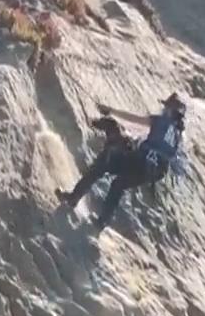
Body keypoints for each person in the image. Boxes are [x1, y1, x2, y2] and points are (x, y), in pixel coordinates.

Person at [56, 93, 188, 232]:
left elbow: (134, 119)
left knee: (105, 163)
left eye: (166, 107)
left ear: (171, 110)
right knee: (119, 184)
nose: (164, 109)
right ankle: (101, 222)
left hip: (142, 160)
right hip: (154, 171)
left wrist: (111, 111)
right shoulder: (178, 134)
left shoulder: (161, 121)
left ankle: (74, 197)